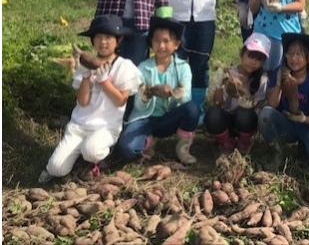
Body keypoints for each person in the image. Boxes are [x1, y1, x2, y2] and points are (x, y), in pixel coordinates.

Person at [38, 15, 141, 183]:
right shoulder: (85, 65)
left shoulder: (125, 66)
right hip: (79, 126)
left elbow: (121, 100)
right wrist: (86, 76)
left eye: (108, 37)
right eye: (98, 37)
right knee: (57, 169)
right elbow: (83, 102)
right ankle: (71, 160)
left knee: (92, 151)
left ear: (119, 40)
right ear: (93, 41)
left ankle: (98, 160)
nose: (103, 42)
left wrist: (104, 81)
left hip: (106, 127)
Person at [117, 15, 200, 165]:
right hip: (145, 118)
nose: (161, 46)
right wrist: (148, 94)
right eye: (156, 40)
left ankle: (183, 148)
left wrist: (173, 93)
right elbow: (138, 105)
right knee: (127, 150)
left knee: (192, 109)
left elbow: (186, 97)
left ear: (176, 44)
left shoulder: (183, 67)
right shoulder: (143, 67)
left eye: (166, 41)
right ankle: (148, 141)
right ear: (151, 43)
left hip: (169, 118)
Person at [258, 33, 309, 164]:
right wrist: (279, 84)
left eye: (299, 54)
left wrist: (302, 118)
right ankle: (276, 149)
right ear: (284, 55)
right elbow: (271, 105)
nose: (293, 58)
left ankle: (307, 144)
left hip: (307, 126)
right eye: (290, 53)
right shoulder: (280, 72)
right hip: (286, 123)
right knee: (265, 114)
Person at [203, 32, 271, 155]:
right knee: (212, 114)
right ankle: (226, 142)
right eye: (250, 56)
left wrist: (244, 95)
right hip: (227, 119)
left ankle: (244, 142)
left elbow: (259, 105)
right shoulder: (229, 73)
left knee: (243, 112)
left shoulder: (262, 79)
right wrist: (221, 85)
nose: (253, 62)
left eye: (259, 59)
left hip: (247, 123)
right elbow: (217, 102)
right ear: (242, 53)